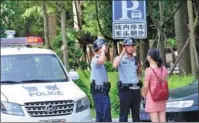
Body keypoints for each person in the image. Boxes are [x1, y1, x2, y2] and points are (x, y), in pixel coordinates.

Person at [113, 37, 142, 122]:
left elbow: (139, 73)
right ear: (124, 47)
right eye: (128, 46)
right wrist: (122, 53)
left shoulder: (136, 59)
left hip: (136, 90)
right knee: (124, 115)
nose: (131, 48)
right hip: (125, 90)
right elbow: (115, 65)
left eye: (132, 46)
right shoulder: (120, 59)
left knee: (136, 115)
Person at [141, 49, 168, 122]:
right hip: (162, 97)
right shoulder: (164, 69)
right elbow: (165, 82)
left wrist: (143, 95)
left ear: (149, 57)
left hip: (152, 98)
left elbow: (146, 87)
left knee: (155, 120)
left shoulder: (148, 70)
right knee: (163, 118)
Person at [90, 38, 112, 122]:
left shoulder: (99, 59)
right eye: (104, 47)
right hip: (99, 92)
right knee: (104, 116)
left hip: (102, 92)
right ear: (99, 48)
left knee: (102, 117)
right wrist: (103, 50)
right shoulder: (95, 59)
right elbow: (101, 60)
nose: (106, 48)